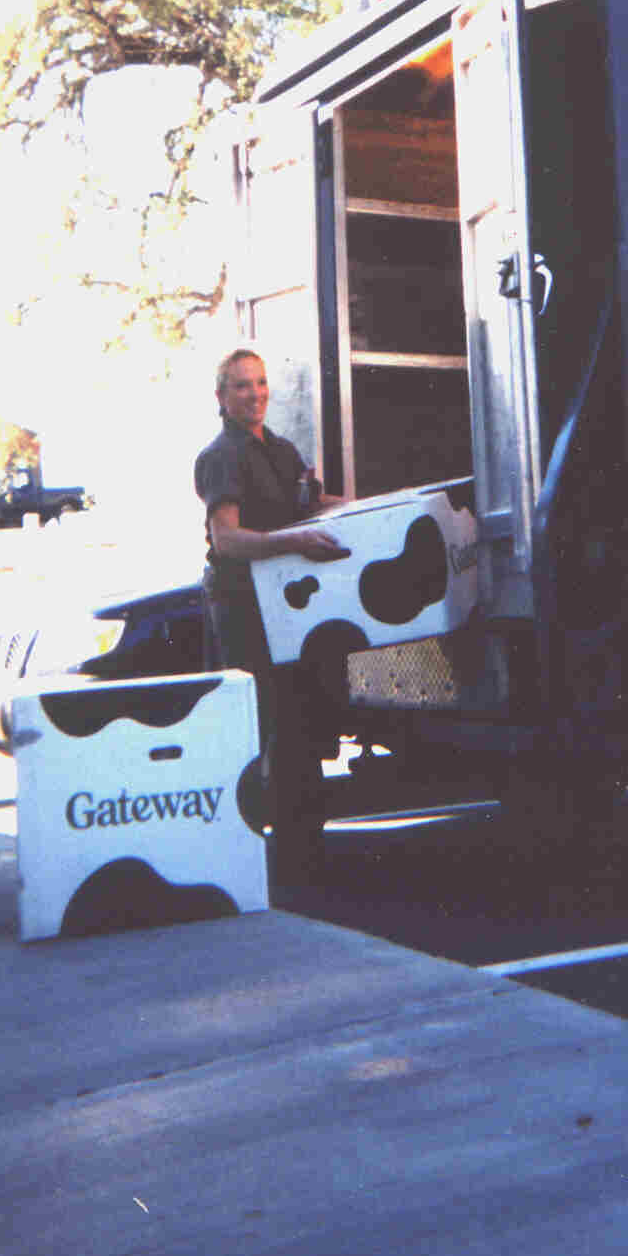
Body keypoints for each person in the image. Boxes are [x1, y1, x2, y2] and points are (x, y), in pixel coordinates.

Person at [194, 348, 348, 880]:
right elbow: (228, 539)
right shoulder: (221, 457)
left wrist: (381, 505)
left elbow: (317, 501)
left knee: (300, 720)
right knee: (261, 727)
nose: (254, 394)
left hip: (288, 604)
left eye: (260, 383)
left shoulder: (279, 451)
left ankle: (306, 851)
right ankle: (256, 861)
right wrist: (296, 541)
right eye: (240, 386)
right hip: (243, 606)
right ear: (221, 397)